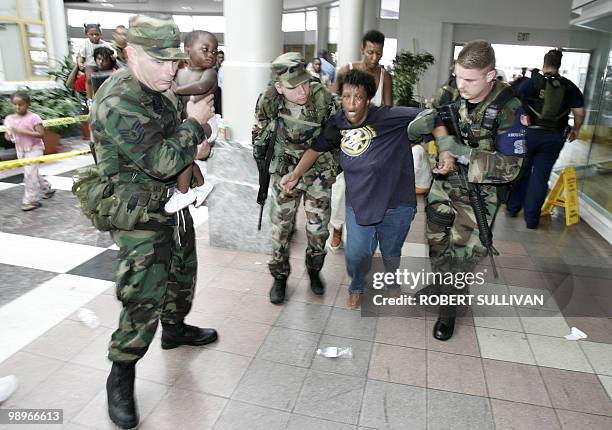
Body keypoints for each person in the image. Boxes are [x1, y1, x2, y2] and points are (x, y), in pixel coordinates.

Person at [89, 14, 217, 429]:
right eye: (158, 60)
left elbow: (173, 146)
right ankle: (121, 374)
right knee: (142, 294)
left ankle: (175, 328)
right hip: (137, 213)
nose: (170, 70)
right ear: (130, 54)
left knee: (183, 270)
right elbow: (162, 160)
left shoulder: (158, 89)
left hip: (171, 202)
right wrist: (195, 123)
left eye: (173, 61)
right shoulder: (117, 101)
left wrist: (194, 152)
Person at [280, 69, 421, 309]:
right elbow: (316, 149)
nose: (351, 103)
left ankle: (392, 280)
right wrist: (295, 174)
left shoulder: (389, 116)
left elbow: (429, 117)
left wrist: (441, 147)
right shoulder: (338, 123)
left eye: (358, 97)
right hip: (360, 201)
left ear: (368, 99)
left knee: (391, 250)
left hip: (396, 202)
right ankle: (357, 284)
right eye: (346, 96)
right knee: (356, 253)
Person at [416, 40, 525, 341]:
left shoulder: (508, 109)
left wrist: (461, 152)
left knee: (463, 256)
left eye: (470, 79)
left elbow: (512, 167)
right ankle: (442, 286)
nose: (460, 85)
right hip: (444, 186)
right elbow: (438, 118)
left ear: (490, 76)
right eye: (458, 76)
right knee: (437, 243)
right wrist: (444, 152)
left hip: (480, 194)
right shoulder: (450, 91)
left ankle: (447, 312)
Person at [252, 52, 339, 305]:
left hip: (317, 173)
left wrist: (334, 168)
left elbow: (337, 136)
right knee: (280, 230)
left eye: (304, 83)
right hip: (283, 175)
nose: (303, 92)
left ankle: (314, 270)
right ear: (279, 87)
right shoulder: (268, 101)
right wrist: (266, 171)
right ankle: (279, 278)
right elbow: (259, 137)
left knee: (318, 230)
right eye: (294, 87)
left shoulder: (322, 97)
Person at [329, 30, 394, 251]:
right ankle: (337, 227)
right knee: (342, 186)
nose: (374, 58)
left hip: (373, 142)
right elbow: (332, 102)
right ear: (362, 49)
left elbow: (387, 112)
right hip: (347, 140)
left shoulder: (385, 77)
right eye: (370, 52)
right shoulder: (347, 69)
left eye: (379, 53)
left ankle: (365, 234)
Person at [507, 49, 585, 229]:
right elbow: (579, 113)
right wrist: (576, 129)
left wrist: (522, 118)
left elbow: (513, 104)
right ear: (559, 65)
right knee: (540, 177)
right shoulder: (569, 86)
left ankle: (513, 208)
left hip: (529, 134)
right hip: (554, 137)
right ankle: (531, 220)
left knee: (522, 171)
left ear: (544, 64)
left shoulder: (530, 83)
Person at [164, 30, 219, 213]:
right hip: (189, 122)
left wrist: (176, 90)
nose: (211, 54)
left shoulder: (209, 73)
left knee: (185, 146)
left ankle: (183, 191)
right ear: (187, 51)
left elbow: (201, 86)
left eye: (214, 51)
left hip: (207, 123)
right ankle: (202, 185)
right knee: (186, 152)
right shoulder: (180, 72)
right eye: (205, 49)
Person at [3, 91, 55, 211]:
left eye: (20, 104)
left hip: (35, 149)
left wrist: (20, 131)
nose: (17, 107)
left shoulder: (34, 118)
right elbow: (7, 134)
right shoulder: (9, 119)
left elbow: (41, 134)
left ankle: (31, 200)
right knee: (32, 172)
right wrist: (9, 136)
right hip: (20, 150)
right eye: (15, 104)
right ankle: (46, 188)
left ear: (28, 104)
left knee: (29, 175)